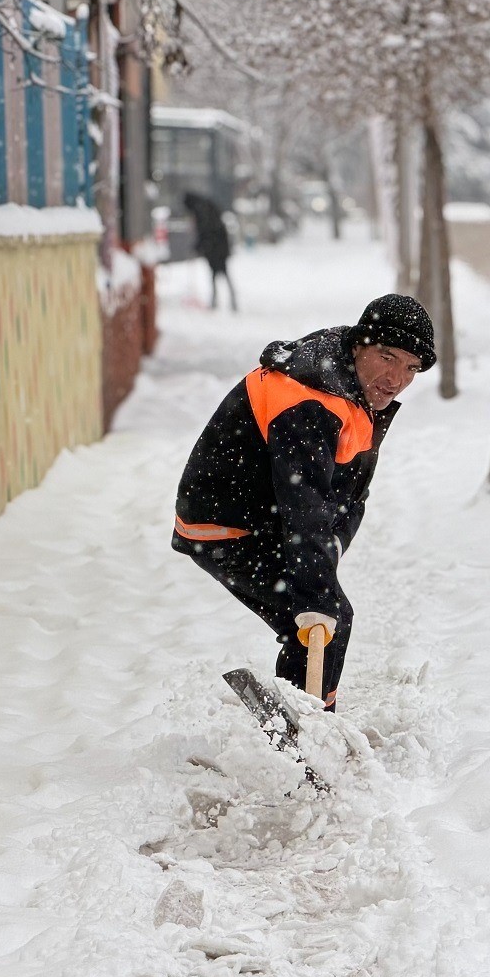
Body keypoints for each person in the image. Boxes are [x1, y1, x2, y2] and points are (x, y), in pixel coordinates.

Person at [171, 294, 435, 711]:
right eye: (388, 357)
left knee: (323, 617)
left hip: (264, 517)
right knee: (323, 618)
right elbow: (304, 504)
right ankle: (307, 726)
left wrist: (329, 550)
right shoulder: (310, 400)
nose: (397, 378)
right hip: (225, 524)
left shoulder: (349, 391)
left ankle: (300, 720)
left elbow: (350, 496)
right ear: (360, 344)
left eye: (411, 368)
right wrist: (315, 589)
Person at [183, 191, 237, 311]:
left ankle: (218, 300)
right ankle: (222, 300)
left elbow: (206, 231)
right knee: (221, 274)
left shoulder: (201, 209)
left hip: (214, 248)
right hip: (218, 247)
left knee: (220, 274)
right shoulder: (206, 205)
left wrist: (198, 246)